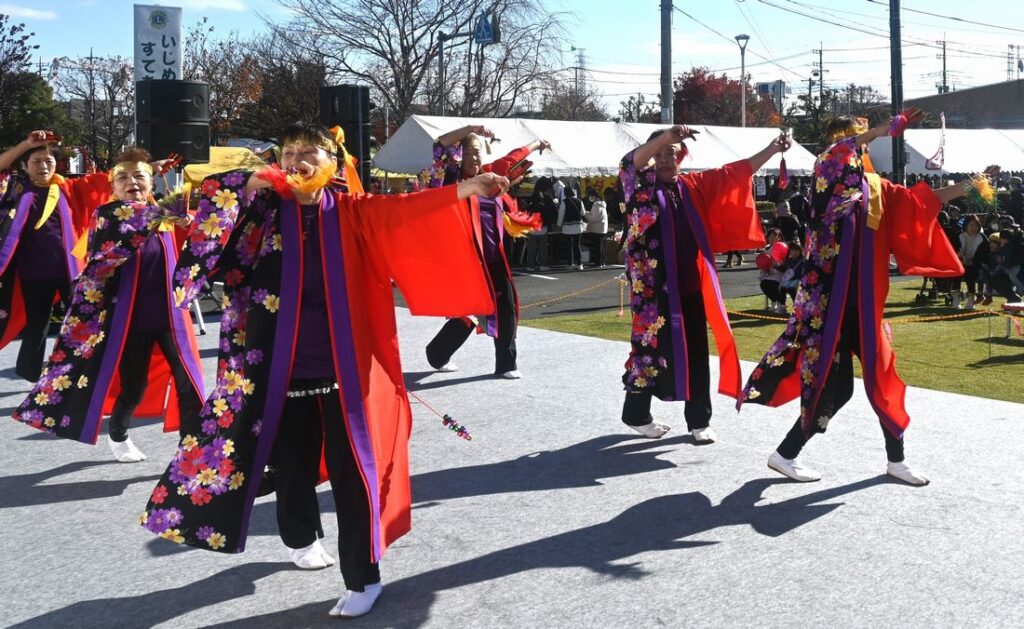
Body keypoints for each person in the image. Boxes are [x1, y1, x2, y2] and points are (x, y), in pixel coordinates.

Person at [139, 122, 508, 619]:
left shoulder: (354, 213)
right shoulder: (259, 215)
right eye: (288, 152)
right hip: (276, 371)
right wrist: (248, 184)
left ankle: (363, 577)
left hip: (346, 373)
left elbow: (405, 211)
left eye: (309, 151)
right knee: (289, 468)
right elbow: (206, 209)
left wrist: (466, 187)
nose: (296, 161)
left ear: (333, 160)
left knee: (354, 475)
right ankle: (300, 535)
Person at [739, 112, 971, 487]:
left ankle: (890, 460)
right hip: (828, 306)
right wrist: (881, 130)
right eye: (851, 139)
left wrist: (968, 186)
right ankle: (787, 454)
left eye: (859, 140)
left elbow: (919, 202)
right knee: (840, 386)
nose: (856, 147)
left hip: (862, 305)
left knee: (875, 380)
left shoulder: (875, 189)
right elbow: (834, 155)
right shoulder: (826, 178)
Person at [12, 147, 204, 463]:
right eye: (123, 177)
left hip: (171, 315)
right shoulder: (109, 216)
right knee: (134, 387)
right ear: (112, 186)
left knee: (188, 381)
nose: (132, 182)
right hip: (131, 318)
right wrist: (190, 194)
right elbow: (138, 221)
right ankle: (118, 433)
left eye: (139, 176)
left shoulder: (162, 212)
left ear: (151, 182)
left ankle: (190, 447)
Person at [619, 124, 790, 441]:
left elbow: (734, 173)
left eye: (671, 153)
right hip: (653, 291)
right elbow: (629, 163)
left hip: (691, 285)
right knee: (648, 351)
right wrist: (667, 137)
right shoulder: (639, 187)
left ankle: (699, 421)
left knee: (697, 352)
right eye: (658, 154)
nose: (666, 159)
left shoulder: (692, 185)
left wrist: (772, 149)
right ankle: (636, 414)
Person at [424, 124, 550, 379]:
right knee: (468, 313)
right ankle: (437, 354)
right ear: (460, 156)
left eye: (478, 152)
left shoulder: (491, 176)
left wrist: (538, 144)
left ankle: (506, 364)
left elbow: (514, 157)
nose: (475, 157)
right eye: (469, 152)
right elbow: (439, 146)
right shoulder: (452, 181)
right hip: (465, 260)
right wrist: (472, 128)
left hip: (494, 258)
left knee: (506, 308)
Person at [0, 131, 111, 382]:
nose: (43, 166)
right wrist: (26, 144)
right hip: (33, 273)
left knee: (79, 321)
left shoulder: (69, 189)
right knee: (36, 327)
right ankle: (30, 376)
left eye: (48, 161)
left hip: (70, 270)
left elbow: (108, 180)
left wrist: (148, 167)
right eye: (36, 161)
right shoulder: (15, 191)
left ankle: (77, 370)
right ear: (24, 166)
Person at [956, 214, 987, 309]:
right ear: (966, 226)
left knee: (970, 273)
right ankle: (955, 299)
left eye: (976, 225)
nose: (974, 228)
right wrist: (960, 259)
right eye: (971, 225)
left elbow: (983, 255)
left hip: (976, 265)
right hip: (960, 263)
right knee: (956, 273)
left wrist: (972, 263)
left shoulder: (982, 238)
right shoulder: (959, 236)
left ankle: (971, 300)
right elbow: (954, 249)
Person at [758, 228, 786, 313]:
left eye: (774, 236)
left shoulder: (783, 246)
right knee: (763, 284)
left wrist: (777, 265)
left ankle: (779, 303)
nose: (772, 238)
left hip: (780, 273)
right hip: (768, 273)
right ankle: (775, 301)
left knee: (770, 284)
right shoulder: (767, 248)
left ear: (779, 237)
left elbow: (784, 263)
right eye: (770, 236)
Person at [558, 187, 586, 269]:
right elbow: (583, 213)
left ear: (566, 193)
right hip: (578, 227)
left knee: (569, 246)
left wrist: (559, 225)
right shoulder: (579, 201)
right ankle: (580, 264)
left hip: (567, 227)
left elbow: (561, 215)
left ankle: (570, 263)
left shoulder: (564, 202)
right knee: (577, 245)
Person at [584, 190, 609, 267]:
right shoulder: (602, 204)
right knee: (601, 246)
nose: (590, 198)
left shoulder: (597, 205)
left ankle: (598, 262)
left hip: (597, 229)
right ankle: (602, 261)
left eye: (590, 196)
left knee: (598, 246)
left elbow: (595, 218)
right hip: (601, 228)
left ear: (594, 196)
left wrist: (587, 215)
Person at [779, 241, 805, 305]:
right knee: (782, 289)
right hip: (789, 280)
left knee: (791, 289)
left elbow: (802, 271)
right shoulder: (789, 260)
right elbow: (784, 269)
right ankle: (782, 305)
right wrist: (777, 266)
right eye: (792, 250)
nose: (794, 252)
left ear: (800, 251)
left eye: (796, 250)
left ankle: (796, 304)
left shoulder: (802, 260)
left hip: (798, 280)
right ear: (790, 251)